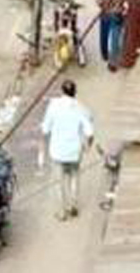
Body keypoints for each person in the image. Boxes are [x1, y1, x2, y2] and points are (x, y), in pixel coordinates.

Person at [40, 80, 94, 221]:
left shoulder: (53, 106)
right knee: (74, 177)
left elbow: (46, 129)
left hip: (57, 151)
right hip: (74, 151)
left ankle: (62, 212)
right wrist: (88, 145)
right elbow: (89, 132)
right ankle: (73, 206)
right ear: (75, 92)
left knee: (60, 182)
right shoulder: (81, 108)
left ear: (62, 91)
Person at [96, 0, 133, 70]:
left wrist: (105, 7)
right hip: (117, 15)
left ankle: (104, 55)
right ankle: (113, 62)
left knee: (104, 35)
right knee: (115, 39)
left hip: (105, 14)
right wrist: (125, 9)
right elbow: (131, 0)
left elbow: (98, 2)